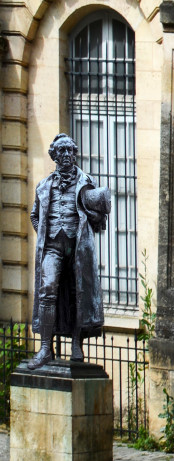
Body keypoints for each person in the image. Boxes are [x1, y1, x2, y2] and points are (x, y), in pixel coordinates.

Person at [28, 133, 110, 370]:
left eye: (70, 151)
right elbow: (35, 216)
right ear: (54, 155)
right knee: (47, 291)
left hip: (77, 248)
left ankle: (76, 343)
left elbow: (99, 220)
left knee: (78, 295)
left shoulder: (86, 182)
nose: (66, 155)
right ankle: (45, 347)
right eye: (61, 151)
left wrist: (94, 216)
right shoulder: (44, 186)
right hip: (53, 246)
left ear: (75, 154)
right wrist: (46, 234)